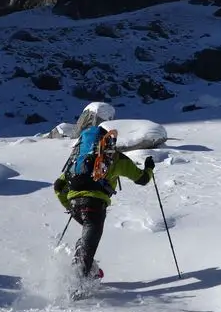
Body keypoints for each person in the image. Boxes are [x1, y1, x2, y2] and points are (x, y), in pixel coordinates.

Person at [53, 102, 154, 281]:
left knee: (86, 238)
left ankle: (86, 271)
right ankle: (77, 286)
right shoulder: (114, 158)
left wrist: (69, 205)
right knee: (88, 244)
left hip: (76, 204)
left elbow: (58, 186)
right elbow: (142, 179)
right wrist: (149, 168)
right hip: (95, 206)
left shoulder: (77, 159)